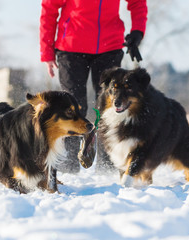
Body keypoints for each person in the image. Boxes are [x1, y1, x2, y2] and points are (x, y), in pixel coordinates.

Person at [40, 0, 148, 173]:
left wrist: (137, 31)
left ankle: (108, 165)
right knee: (73, 105)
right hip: (71, 46)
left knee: (110, 106)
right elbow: (49, 8)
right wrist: (46, 51)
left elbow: (137, 2)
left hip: (109, 46)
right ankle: (68, 165)